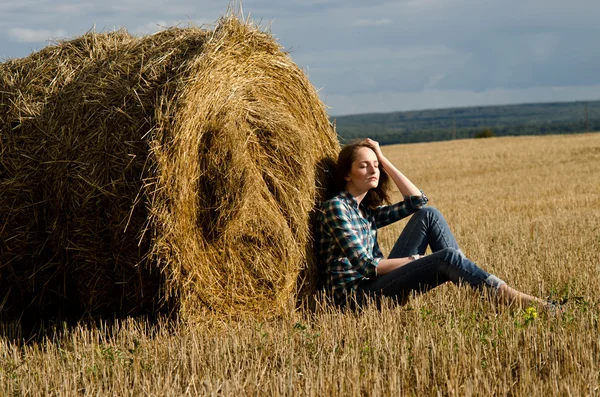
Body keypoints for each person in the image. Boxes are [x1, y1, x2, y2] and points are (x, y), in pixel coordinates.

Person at [317, 138, 556, 311]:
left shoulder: (364, 211)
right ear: (347, 175)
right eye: (363, 165)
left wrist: (383, 159)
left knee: (429, 215)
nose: (373, 170)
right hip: (356, 299)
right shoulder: (336, 208)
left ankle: (470, 281)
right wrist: (414, 261)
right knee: (446, 257)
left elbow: (417, 201)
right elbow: (367, 267)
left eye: (375, 165)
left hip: (376, 285)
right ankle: (503, 294)